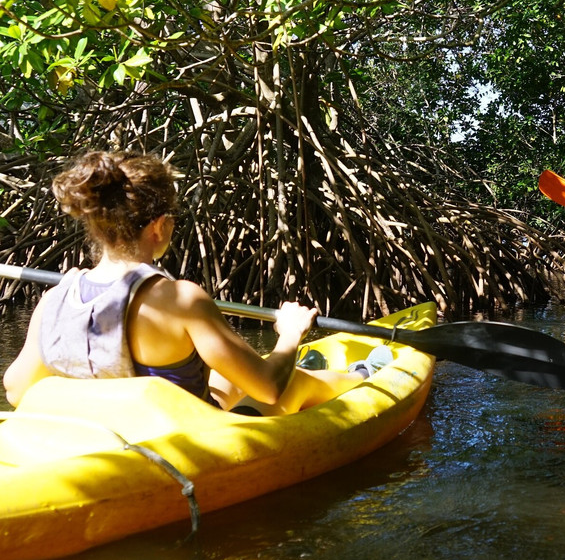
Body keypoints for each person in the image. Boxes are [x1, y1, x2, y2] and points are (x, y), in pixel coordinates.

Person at [3, 150, 364, 414]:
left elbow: (17, 389)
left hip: (108, 436)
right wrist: (290, 334)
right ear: (159, 225)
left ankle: (337, 370)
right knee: (291, 381)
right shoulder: (179, 300)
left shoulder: (56, 298)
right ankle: (365, 379)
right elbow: (268, 389)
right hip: (184, 441)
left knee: (234, 377)